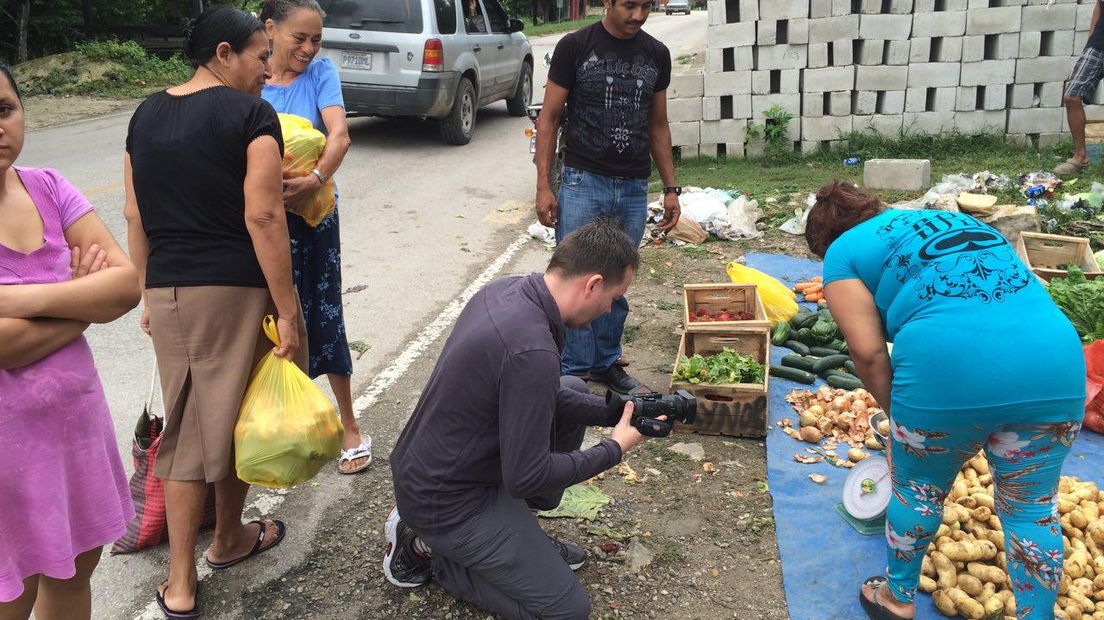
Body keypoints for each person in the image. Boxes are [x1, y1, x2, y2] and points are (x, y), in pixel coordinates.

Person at [804, 182, 1086, 620]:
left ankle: (896, 599)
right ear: (875, 208)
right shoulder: (958, 220)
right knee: (1033, 511)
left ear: (823, 241)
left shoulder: (842, 252)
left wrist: (898, 416)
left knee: (917, 490)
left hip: (950, 368)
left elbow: (868, 351)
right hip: (1057, 362)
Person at [123, 7, 306, 617]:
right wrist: (290, 309)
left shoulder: (145, 115)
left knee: (200, 419)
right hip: (234, 291)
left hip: (172, 291)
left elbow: (135, 216)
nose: (267, 68)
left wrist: (150, 292)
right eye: (261, 55)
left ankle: (228, 539)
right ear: (224, 53)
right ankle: (185, 577)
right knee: (208, 426)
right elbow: (264, 216)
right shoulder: (253, 115)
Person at [384, 219, 660, 620]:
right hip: (444, 501)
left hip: (440, 468)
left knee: (575, 388)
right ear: (593, 284)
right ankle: (427, 552)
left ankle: (514, 537)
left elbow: (545, 395)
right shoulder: (530, 350)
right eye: (615, 297)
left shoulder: (506, 291)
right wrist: (614, 448)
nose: (609, 309)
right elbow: (527, 476)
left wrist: (616, 412)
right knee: (567, 610)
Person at [0, 63, 141, 620]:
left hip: (74, 431)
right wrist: (79, 299)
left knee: (74, 578)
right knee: (12, 596)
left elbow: (126, 285)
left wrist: (16, 300)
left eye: (5, 110)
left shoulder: (50, 187)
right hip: (6, 453)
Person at [535, 0, 681, 394]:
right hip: (584, 180)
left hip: (633, 185)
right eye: (629, 6)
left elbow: (658, 124)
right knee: (577, 277)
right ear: (608, 3)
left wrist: (670, 188)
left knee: (616, 280)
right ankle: (573, 369)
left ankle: (604, 362)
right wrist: (544, 184)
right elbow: (548, 118)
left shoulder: (656, 55)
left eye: (646, 6)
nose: (637, 16)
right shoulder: (575, 47)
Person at [259, 0, 367, 475]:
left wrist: (316, 178)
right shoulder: (249, 78)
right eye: (298, 38)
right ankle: (282, 422)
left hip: (314, 217)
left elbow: (339, 135)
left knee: (323, 314)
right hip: (262, 222)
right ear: (270, 30)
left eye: (315, 38)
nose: (308, 48)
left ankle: (349, 424)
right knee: (269, 321)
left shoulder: (321, 74)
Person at [1057, 0, 1104, 176]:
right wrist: (1091, 38)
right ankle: (1080, 157)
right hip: (1098, 45)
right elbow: (1100, 5)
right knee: (1072, 96)